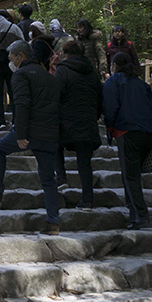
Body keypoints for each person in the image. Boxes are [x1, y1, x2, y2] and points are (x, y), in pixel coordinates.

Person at [0, 40, 64, 234]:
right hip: (50, 135)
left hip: (31, 130)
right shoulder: (51, 77)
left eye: (11, 58)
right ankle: (53, 222)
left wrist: (22, 134)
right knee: (49, 179)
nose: (10, 61)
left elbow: (22, 104)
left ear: (21, 56)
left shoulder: (21, 75)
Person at [102, 52, 152, 230]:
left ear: (115, 65)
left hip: (126, 130)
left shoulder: (114, 81)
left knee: (130, 175)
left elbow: (111, 106)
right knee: (133, 174)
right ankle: (134, 212)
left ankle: (140, 215)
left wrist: (109, 126)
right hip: (147, 131)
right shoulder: (142, 84)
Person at [55, 40, 103, 208]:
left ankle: (61, 177)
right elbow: (99, 97)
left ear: (65, 54)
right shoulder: (92, 72)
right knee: (84, 163)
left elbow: (56, 93)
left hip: (66, 120)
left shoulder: (63, 70)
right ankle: (88, 199)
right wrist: (94, 115)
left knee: (55, 144)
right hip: (88, 121)